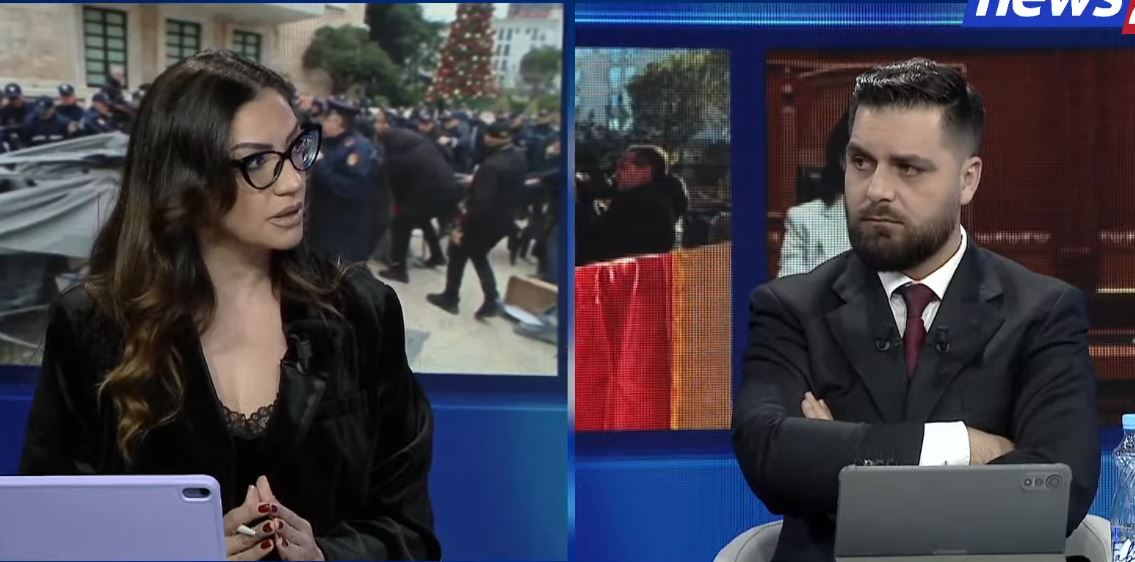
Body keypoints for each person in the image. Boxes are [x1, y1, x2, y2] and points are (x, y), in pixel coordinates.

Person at [20, 50, 440, 561]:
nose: (294, 181)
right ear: (184, 177)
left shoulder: (361, 312)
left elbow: (410, 532)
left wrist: (327, 556)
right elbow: (52, 536)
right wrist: (180, 554)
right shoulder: (94, 325)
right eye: (257, 161)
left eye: (296, 149)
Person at [732, 58, 1099, 561]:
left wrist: (841, 457)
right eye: (861, 162)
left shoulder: (1043, 313)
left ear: (967, 180)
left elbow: (1058, 491)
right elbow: (771, 455)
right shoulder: (789, 308)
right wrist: (963, 448)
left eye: (908, 168)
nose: (876, 190)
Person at [426, 120, 526, 318]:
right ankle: (491, 299)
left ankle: (451, 297)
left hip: (482, 222)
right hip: (504, 219)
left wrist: (461, 229)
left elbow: (480, 205)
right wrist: (478, 181)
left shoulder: (491, 166)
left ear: (489, 137)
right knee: (478, 255)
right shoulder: (518, 156)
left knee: (458, 252)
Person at [374, 112, 460, 283]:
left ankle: (398, 269)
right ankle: (437, 255)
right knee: (423, 219)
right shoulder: (420, 142)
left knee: (401, 225)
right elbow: (446, 153)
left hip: (427, 194)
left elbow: (393, 186)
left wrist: (396, 205)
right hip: (449, 188)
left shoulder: (397, 156)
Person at [575, 145, 689, 266]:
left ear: (645, 172)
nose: (616, 174)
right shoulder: (662, 198)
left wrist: (577, 206)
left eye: (623, 167)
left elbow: (596, 242)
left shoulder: (641, 203)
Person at [305, 96, 382, 265]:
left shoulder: (359, 148)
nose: (323, 123)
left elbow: (354, 188)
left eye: (327, 120)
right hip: (322, 224)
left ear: (337, 121)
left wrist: (321, 166)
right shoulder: (330, 142)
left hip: (342, 231)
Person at [777, 111, 852, 277]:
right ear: (842, 161)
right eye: (861, 159)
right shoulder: (805, 219)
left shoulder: (902, 219)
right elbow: (790, 288)